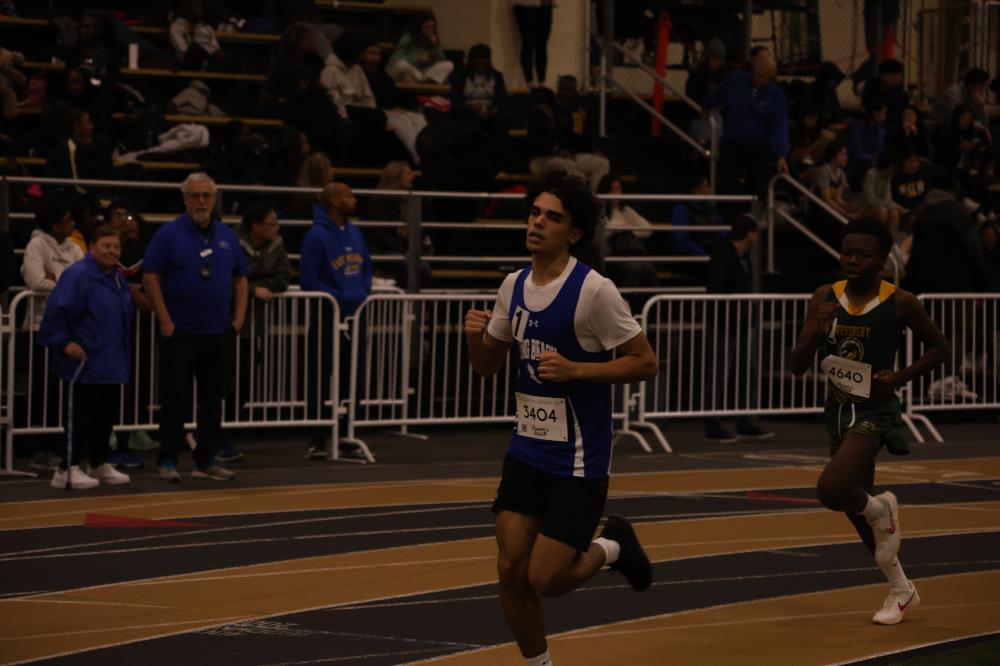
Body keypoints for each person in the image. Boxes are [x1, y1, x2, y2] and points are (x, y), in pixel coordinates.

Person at [464, 170, 657, 665]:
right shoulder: (513, 285)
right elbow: (486, 366)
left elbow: (645, 362)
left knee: (546, 578)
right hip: (527, 447)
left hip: (578, 459)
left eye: (552, 217)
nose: (537, 223)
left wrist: (578, 370)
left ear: (573, 233)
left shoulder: (594, 291)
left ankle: (612, 546)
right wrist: (473, 337)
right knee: (510, 571)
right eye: (534, 213)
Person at [790, 218, 949, 625]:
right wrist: (816, 331)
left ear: (882, 259)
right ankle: (901, 589)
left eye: (862, 254)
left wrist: (900, 377)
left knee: (832, 489)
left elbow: (939, 348)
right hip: (837, 411)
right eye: (847, 252)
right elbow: (796, 366)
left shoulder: (900, 301)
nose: (852, 260)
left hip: (875, 412)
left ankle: (882, 510)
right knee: (856, 507)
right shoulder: (825, 296)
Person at [143, 172, 248, 482]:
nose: (201, 201)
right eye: (195, 195)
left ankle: (206, 461)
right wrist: (164, 319)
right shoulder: (168, 234)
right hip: (180, 331)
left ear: (214, 199)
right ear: (185, 199)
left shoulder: (227, 236)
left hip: (219, 331)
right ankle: (168, 460)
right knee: (174, 398)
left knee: (213, 400)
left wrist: (238, 320)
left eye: (206, 195)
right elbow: (150, 276)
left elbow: (241, 278)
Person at [38, 225, 134, 489]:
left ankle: (98, 462)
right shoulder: (78, 275)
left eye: (116, 247)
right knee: (81, 417)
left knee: (105, 416)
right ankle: (66, 469)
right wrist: (64, 341)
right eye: (106, 246)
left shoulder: (117, 278)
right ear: (92, 248)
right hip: (84, 361)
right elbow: (56, 312)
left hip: (111, 361)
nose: (112, 251)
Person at [300, 182, 372, 460]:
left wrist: (362, 292)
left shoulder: (355, 232)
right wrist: (341, 296)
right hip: (327, 315)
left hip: (355, 316)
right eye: (348, 196)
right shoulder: (315, 236)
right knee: (320, 377)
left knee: (353, 378)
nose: (354, 200)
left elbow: (366, 267)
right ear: (333, 201)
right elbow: (308, 280)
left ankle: (345, 434)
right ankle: (317, 438)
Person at [20, 196, 85, 471]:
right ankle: (41, 449)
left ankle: (63, 447)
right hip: (40, 328)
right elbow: (36, 281)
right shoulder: (36, 244)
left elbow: (84, 280)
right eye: (69, 220)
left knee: (66, 392)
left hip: (71, 330)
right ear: (56, 224)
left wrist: (56, 279)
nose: (74, 223)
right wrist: (66, 283)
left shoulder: (75, 248)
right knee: (43, 392)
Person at [703, 214, 772, 443]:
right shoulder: (723, 253)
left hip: (741, 324)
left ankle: (745, 421)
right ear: (749, 233)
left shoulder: (743, 255)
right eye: (755, 231)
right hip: (723, 324)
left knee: (747, 374)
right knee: (718, 375)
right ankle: (712, 424)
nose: (757, 236)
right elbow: (717, 289)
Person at [705, 47, 789, 209]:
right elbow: (717, 94)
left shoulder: (776, 95)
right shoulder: (736, 80)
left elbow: (781, 125)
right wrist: (707, 106)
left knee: (758, 187)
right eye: (762, 76)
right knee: (728, 183)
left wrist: (782, 154)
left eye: (769, 77)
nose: (765, 80)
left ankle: (751, 216)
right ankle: (727, 216)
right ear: (755, 70)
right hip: (733, 142)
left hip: (759, 147)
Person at [528, 76, 610, 191]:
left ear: (575, 92)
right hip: (543, 158)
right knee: (569, 168)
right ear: (558, 90)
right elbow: (536, 140)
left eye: (570, 90)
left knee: (603, 164)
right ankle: (575, 200)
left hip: (571, 157)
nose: (565, 93)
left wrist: (594, 149)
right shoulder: (545, 110)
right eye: (563, 89)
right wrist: (556, 150)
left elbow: (585, 137)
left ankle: (592, 198)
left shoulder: (577, 112)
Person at [368, 160, 432, 289]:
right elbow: (381, 234)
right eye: (408, 174)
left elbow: (415, 231)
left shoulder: (411, 200)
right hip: (382, 251)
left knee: (423, 263)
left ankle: (418, 300)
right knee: (417, 266)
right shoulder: (379, 200)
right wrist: (404, 251)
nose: (412, 177)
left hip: (403, 250)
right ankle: (409, 299)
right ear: (396, 177)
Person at [596, 174, 656, 306]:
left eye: (618, 189)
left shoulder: (626, 210)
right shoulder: (600, 210)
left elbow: (647, 228)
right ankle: (624, 307)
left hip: (630, 250)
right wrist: (619, 229)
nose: (616, 193)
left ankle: (646, 309)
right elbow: (602, 232)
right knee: (633, 269)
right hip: (612, 252)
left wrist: (628, 231)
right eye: (612, 190)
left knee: (649, 269)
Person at [386, 12, 454, 84]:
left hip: (422, 71)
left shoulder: (433, 39)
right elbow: (396, 57)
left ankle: (422, 80)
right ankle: (421, 80)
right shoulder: (409, 36)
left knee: (449, 65)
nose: (429, 30)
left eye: (432, 27)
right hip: (409, 68)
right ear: (420, 26)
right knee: (401, 65)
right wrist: (418, 58)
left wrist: (435, 46)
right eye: (427, 27)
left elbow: (441, 60)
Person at [169, 0, 225, 70]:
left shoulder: (207, 28)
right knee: (194, 50)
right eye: (198, 7)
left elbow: (217, 50)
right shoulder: (176, 26)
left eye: (201, 7)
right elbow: (184, 51)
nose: (201, 11)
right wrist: (192, 35)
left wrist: (216, 54)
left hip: (211, 64)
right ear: (189, 8)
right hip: (189, 65)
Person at [845, 98, 888, 187]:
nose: (885, 117)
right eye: (884, 113)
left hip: (874, 165)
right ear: (875, 113)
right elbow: (857, 153)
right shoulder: (856, 128)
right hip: (856, 168)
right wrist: (874, 159)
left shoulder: (882, 132)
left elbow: (881, 152)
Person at [511, 0, 554, 88]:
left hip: (545, 4)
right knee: (528, 43)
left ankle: (541, 82)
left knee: (542, 45)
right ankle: (530, 81)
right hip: (525, 5)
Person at [861, 59, 909, 131]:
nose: (895, 78)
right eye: (890, 74)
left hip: (893, 127)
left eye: (898, 74)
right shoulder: (871, 88)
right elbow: (867, 109)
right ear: (881, 75)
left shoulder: (901, 94)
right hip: (874, 126)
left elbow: (901, 114)